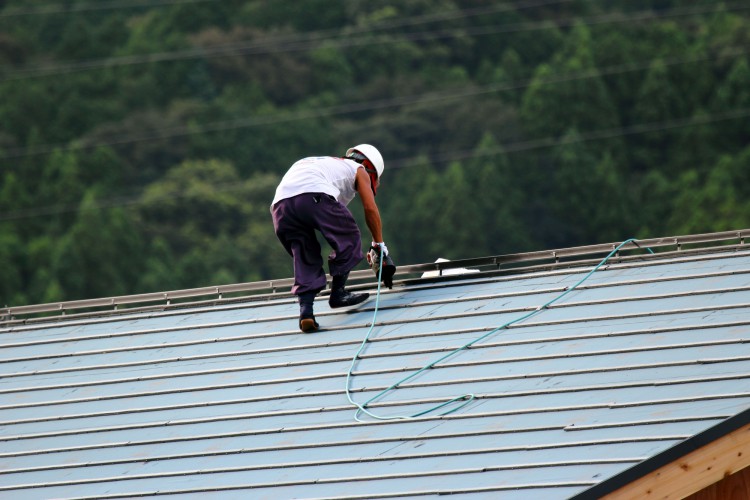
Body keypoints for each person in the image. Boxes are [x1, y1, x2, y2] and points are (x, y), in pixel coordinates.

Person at [271, 144, 392, 333]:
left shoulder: (327, 165)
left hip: (280, 206)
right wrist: (379, 245)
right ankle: (338, 293)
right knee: (349, 235)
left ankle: (306, 313)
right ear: (370, 168)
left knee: (304, 252)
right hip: (312, 194)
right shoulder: (359, 169)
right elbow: (370, 208)